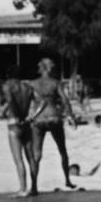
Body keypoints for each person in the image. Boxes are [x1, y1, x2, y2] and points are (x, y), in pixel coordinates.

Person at [30, 57, 77, 192]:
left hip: (38, 119)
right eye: (52, 66)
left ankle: (33, 186)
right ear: (48, 68)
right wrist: (71, 116)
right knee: (62, 150)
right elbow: (65, 100)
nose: (54, 68)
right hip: (53, 117)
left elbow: (29, 101)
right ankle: (67, 180)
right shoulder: (55, 83)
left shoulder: (33, 84)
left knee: (36, 153)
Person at [0, 64, 41, 196]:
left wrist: (16, 116)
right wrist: (32, 116)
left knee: (19, 160)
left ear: (8, 74)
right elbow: (42, 102)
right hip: (26, 124)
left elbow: (11, 101)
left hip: (14, 123)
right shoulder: (28, 87)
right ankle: (34, 188)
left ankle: (23, 189)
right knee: (31, 158)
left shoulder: (7, 85)